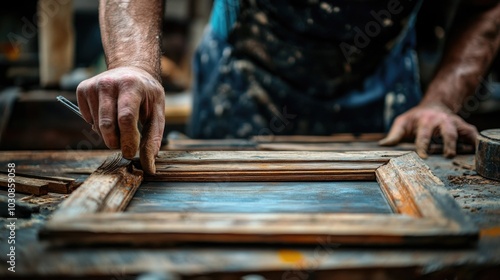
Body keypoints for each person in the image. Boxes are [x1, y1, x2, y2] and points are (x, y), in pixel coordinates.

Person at [77, 0, 500, 174]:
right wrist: (134, 63)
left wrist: (442, 101)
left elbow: (487, 6)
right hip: (243, 77)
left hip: (379, 82)